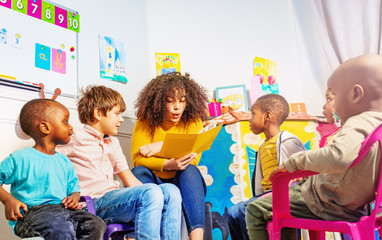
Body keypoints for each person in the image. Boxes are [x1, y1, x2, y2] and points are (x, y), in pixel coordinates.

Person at [245, 53, 382, 240]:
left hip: (324, 202)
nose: (330, 103)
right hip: (353, 207)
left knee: (256, 209)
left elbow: (338, 156)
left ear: (356, 94)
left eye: (333, 96)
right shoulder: (377, 126)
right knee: (283, 201)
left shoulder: (358, 122)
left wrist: (293, 162)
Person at [56, 85, 182, 240]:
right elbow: (49, 158)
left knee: (171, 191)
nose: (121, 119)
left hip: (113, 200)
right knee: (151, 192)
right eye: (117, 114)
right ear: (98, 113)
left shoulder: (113, 143)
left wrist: (156, 195)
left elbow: (130, 180)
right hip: (91, 204)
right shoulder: (75, 137)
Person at [0, 99, 106, 240]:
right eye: (65, 121)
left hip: (62, 210)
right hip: (29, 214)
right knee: (61, 228)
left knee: (96, 223)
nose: (71, 127)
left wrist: (73, 199)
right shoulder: (19, 158)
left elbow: (74, 189)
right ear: (45, 128)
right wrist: (8, 200)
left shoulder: (64, 161)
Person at [131, 72, 209, 239]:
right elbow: (138, 160)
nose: (177, 107)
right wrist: (168, 164)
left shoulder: (193, 120)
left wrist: (158, 147)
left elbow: (192, 157)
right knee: (138, 173)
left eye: (182, 101)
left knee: (190, 170)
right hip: (155, 179)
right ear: (159, 102)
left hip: (184, 181)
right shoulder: (145, 120)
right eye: (170, 101)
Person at [226, 94, 306, 240]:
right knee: (232, 213)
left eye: (253, 114)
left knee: (246, 210)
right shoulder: (262, 146)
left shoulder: (289, 141)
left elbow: (303, 169)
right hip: (266, 195)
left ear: (267, 116)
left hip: (286, 195)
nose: (250, 119)